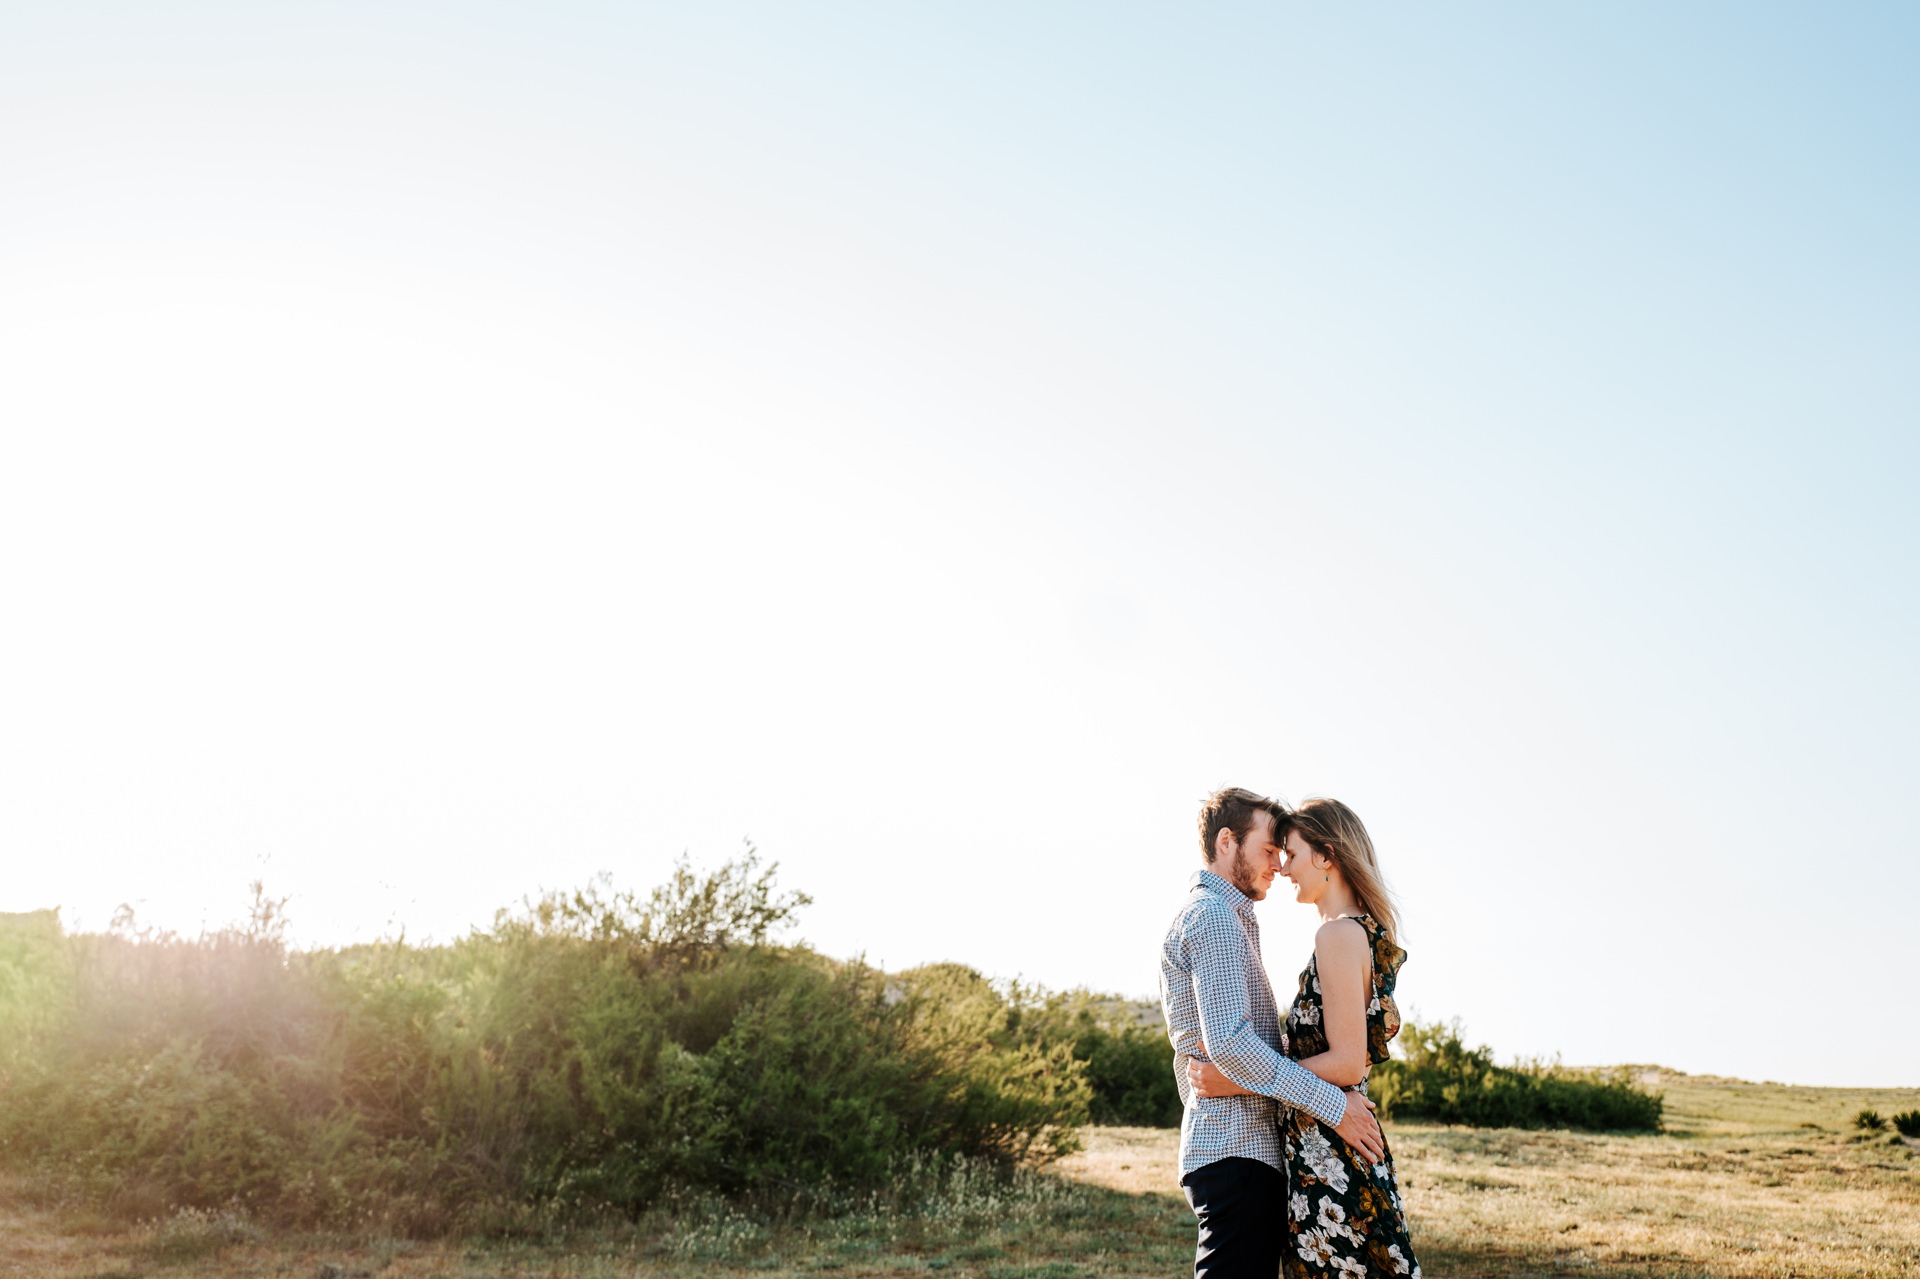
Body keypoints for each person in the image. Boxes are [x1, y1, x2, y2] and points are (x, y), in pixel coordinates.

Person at [1188, 798, 1422, 1278]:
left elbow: (1347, 1064)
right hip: (1325, 1146)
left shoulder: (1336, 937)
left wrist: (1236, 1081)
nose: (1284, 867)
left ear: (1327, 856)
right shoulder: (1359, 932)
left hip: (1330, 1150)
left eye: (1291, 854)